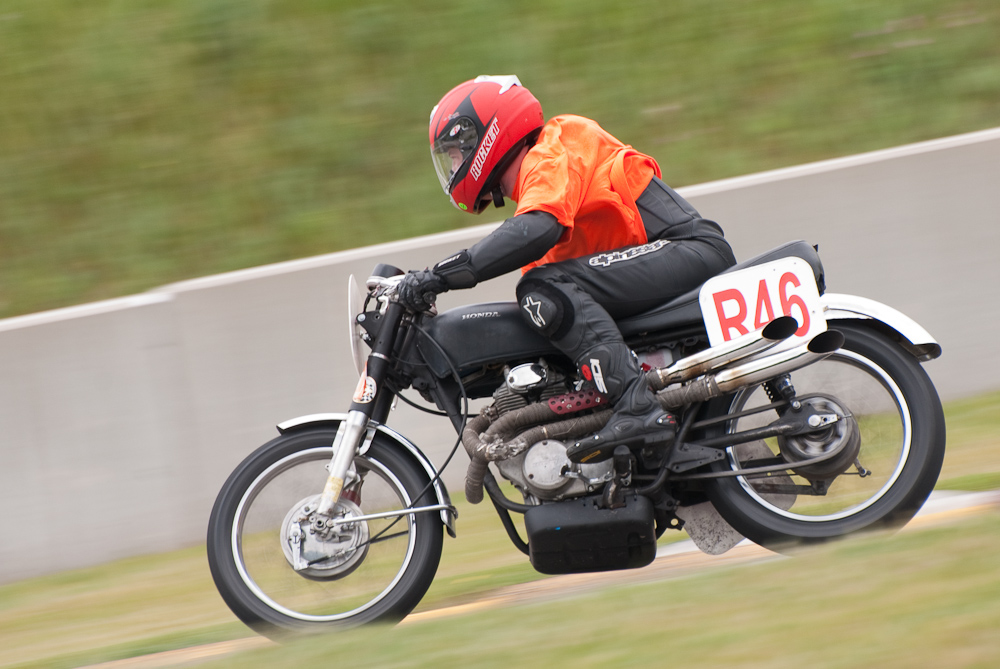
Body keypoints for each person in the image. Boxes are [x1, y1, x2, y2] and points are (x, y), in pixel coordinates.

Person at [398, 75, 736, 463]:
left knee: (541, 289)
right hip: (662, 266)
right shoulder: (537, 197)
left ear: (486, 135)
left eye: (457, 153)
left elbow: (538, 226)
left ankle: (637, 406)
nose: (454, 166)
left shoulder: (555, 144)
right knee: (544, 300)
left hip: (688, 249)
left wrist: (442, 275)